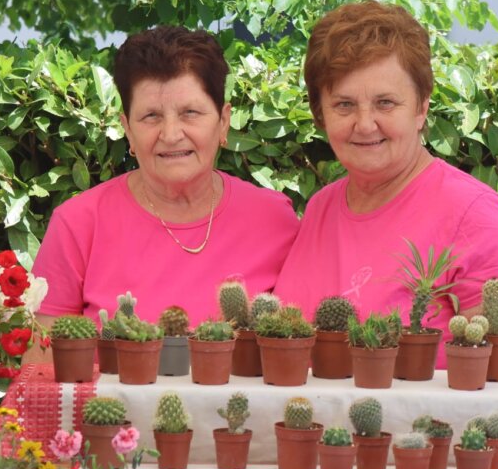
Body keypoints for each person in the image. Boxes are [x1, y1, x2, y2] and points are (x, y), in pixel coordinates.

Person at [273, 0, 498, 370]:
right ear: (320, 113)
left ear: (421, 107)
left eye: (385, 103)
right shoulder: (320, 209)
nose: (365, 123)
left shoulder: (475, 216)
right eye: (343, 104)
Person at [30, 26, 299, 339]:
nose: (171, 135)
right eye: (151, 117)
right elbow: (41, 366)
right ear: (128, 129)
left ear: (223, 121)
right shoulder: (77, 224)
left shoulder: (274, 218)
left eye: (190, 112)